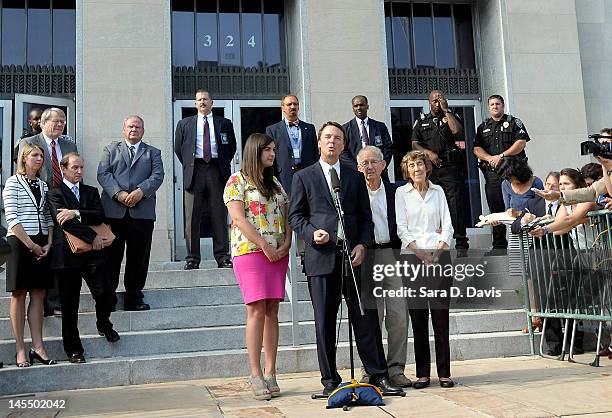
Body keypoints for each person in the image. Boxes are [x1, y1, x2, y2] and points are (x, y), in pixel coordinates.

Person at [288, 121, 403, 396]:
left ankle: (378, 375)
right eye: (327, 137)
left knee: (366, 318)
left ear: (344, 145)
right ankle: (329, 380)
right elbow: (295, 216)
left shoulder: (353, 176)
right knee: (324, 322)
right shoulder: (304, 177)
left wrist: (363, 244)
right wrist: (311, 232)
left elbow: (365, 217)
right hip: (321, 257)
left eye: (337, 139)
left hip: (355, 259)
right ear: (318, 142)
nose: (332, 142)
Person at [223, 133, 291, 400]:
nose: (272, 154)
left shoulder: (274, 183)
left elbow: (286, 216)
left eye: (274, 149)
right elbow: (238, 219)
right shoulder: (236, 181)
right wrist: (264, 245)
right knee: (256, 310)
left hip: (277, 253)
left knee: (273, 310)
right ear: (255, 151)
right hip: (250, 252)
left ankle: (271, 371)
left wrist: (286, 243)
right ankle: (255, 374)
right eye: (267, 150)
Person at [47, 153, 119, 364]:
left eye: (81, 168)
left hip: (94, 254)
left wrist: (76, 212)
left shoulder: (91, 191)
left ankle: (103, 323)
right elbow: (63, 222)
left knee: (105, 292)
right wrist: (92, 235)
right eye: (75, 168)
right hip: (67, 256)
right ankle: (74, 349)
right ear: (64, 169)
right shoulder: (55, 193)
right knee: (69, 305)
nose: (79, 171)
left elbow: (99, 215)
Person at [395, 150, 455, 389]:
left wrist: (438, 252)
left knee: (441, 319)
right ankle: (422, 373)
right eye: (412, 165)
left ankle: (444, 373)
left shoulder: (438, 191)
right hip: (412, 259)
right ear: (406, 171)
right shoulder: (401, 193)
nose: (417, 168)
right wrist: (420, 253)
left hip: (439, 258)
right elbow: (401, 228)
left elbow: (447, 224)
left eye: (420, 164)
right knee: (418, 319)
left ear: (427, 167)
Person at [97, 116, 164, 311]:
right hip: (113, 214)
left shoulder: (153, 152)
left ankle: (134, 298)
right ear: (123, 129)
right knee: (110, 258)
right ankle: (108, 299)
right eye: (130, 126)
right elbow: (103, 174)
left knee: (138, 259)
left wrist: (140, 192)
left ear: (143, 131)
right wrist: (119, 194)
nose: (133, 129)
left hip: (141, 214)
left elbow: (158, 176)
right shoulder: (110, 150)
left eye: (138, 127)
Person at [356, 146, 410, 388]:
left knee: (398, 314)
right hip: (367, 256)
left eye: (373, 162)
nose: (369, 167)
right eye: (364, 163)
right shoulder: (354, 193)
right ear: (358, 168)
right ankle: (371, 369)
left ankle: (396, 368)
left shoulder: (397, 191)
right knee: (371, 316)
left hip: (392, 253)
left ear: (383, 165)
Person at [530, 168, 597, 355]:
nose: (561, 188)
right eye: (561, 185)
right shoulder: (564, 204)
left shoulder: (586, 199)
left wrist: (549, 227)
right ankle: (558, 344)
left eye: (566, 184)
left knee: (578, 300)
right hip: (580, 256)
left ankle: (576, 342)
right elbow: (561, 227)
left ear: (578, 186)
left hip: (598, 256)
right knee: (556, 294)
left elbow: (570, 220)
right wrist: (544, 229)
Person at [19, 107, 77, 317]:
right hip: (38, 206)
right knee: (43, 253)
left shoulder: (69, 144)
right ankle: (43, 302)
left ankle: (57, 300)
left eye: (63, 121)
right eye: (56, 121)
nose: (60, 124)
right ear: (43, 123)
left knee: (60, 253)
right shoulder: (29, 143)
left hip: (62, 205)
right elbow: (24, 172)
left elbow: (74, 170)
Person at [3, 143, 56, 367]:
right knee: (19, 293)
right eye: (35, 155)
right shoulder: (13, 182)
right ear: (24, 158)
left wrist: (49, 242)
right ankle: (20, 349)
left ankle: (38, 346)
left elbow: (48, 217)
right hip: (20, 241)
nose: (39, 159)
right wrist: (31, 245)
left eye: (41, 156)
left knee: (39, 293)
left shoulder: (43, 185)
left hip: (42, 241)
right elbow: (12, 217)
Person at [175, 89, 236, 270]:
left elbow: (230, 147)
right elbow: (179, 149)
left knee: (219, 214)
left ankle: (223, 256)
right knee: (192, 217)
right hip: (195, 171)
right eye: (199, 100)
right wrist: (191, 164)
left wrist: (221, 163)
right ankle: (192, 258)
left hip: (217, 171)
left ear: (212, 102)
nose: (202, 102)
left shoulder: (224, 123)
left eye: (205, 99)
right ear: (195, 104)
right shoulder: (184, 124)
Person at [412, 90, 469, 253]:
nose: (437, 103)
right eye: (434, 100)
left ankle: (461, 242)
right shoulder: (421, 121)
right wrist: (428, 153)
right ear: (429, 102)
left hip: (450, 167)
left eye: (440, 99)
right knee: (432, 206)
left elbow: (457, 132)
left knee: (455, 204)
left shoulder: (451, 116)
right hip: (431, 170)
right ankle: (435, 242)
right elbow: (415, 144)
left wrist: (446, 111)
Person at [473, 95, 531, 255]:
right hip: (493, 174)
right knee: (496, 207)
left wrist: (502, 155)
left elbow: (521, 143)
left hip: (513, 173)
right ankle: (499, 246)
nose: (495, 106)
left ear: (503, 105)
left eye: (497, 104)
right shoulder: (483, 126)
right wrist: (489, 158)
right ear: (488, 107)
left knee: (519, 205)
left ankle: (522, 244)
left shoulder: (514, 122)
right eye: (492, 104)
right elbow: (476, 148)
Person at [265, 94, 318, 194]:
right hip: (283, 175)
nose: (293, 107)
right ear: (283, 108)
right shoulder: (272, 130)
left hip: (307, 174)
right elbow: (270, 154)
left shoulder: (310, 128)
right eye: (289, 104)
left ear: (298, 107)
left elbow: (315, 153)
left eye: (295, 104)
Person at [341, 95, 393, 178]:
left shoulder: (380, 126)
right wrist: (358, 168)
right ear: (352, 108)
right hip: (355, 174)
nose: (359, 108)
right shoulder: (345, 128)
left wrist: (379, 166)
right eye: (356, 106)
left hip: (379, 174)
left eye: (361, 105)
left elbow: (388, 148)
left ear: (367, 106)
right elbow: (343, 152)